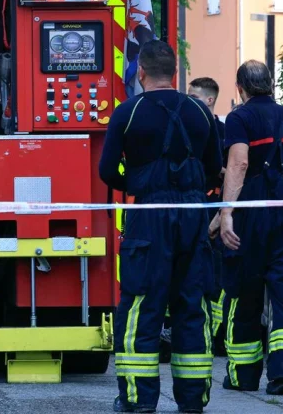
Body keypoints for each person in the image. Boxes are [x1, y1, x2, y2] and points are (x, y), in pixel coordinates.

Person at [99, 41, 224, 414]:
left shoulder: (128, 112)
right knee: (191, 306)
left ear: (141, 73)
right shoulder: (200, 113)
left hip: (148, 216)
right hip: (192, 216)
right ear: (174, 73)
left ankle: (139, 400)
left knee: (141, 304)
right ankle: (192, 400)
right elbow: (213, 167)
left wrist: (137, 184)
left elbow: (106, 171)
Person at [218, 61, 283, 396]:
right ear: (270, 85)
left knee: (243, 292)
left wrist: (227, 213)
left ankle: (243, 376)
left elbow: (239, 163)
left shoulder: (239, 118)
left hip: (251, 215)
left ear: (240, 88)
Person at [187, 78, 227, 351]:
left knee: (217, 275)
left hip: (217, 209)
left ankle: (217, 336)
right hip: (192, 208)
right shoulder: (185, 129)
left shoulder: (224, 132)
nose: (188, 101)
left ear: (209, 100)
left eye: (194, 96)